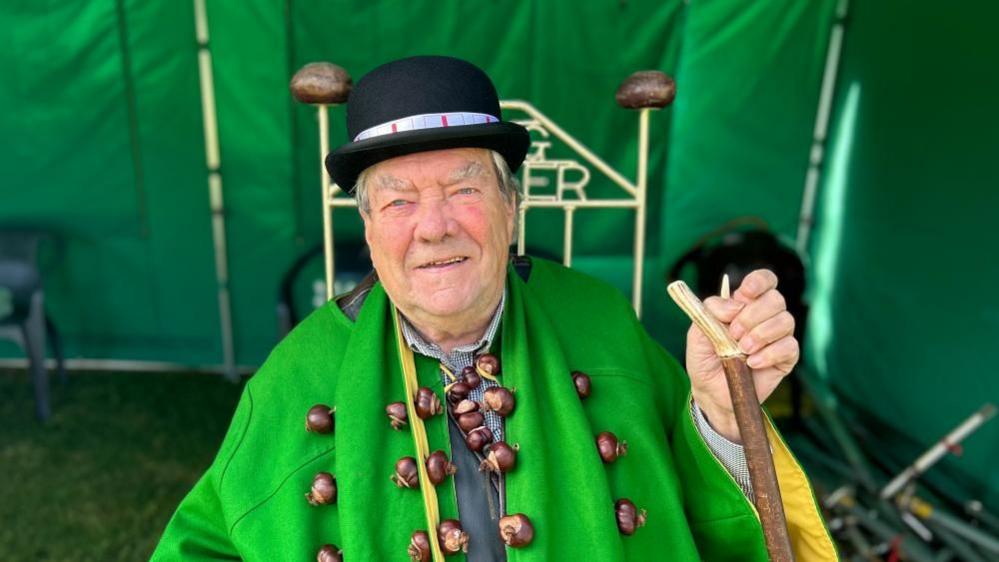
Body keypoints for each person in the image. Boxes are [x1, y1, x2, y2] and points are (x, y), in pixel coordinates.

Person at [151, 56, 836, 561]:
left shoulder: (600, 325)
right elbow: (204, 542)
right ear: (367, 231)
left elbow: (709, 515)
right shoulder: (298, 376)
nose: (434, 226)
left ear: (512, 207)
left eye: (463, 188)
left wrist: (720, 413)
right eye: (397, 200)